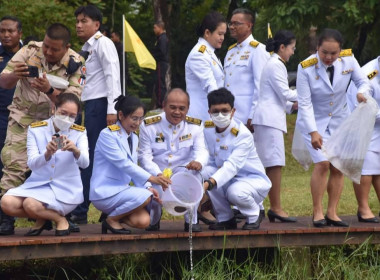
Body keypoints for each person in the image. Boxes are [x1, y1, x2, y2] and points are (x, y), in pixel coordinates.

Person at [0, 23, 83, 235]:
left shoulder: (77, 63)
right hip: (23, 118)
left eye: (54, 49)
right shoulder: (29, 50)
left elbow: (72, 102)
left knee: (54, 170)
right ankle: (6, 220)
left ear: (66, 47)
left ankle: (53, 215)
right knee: (13, 166)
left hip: (54, 122)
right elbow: (4, 82)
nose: (48, 52)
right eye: (46, 46)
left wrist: (50, 90)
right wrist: (14, 75)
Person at [296, 28, 371, 227]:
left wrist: (361, 92)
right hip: (314, 121)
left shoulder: (349, 60)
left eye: (333, 53)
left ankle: (332, 212)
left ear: (340, 50)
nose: (328, 57)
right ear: (317, 48)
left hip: (340, 120)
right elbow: (304, 103)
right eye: (324, 53)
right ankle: (318, 211)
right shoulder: (306, 67)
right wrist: (313, 131)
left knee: (338, 166)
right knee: (322, 163)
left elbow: (363, 81)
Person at [1, 93, 89, 236]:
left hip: (65, 189)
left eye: (72, 116)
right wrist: (46, 154)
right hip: (38, 185)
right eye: (63, 113)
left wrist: (75, 151)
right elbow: (32, 164)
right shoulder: (36, 129)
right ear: (54, 109)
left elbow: (85, 163)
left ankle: (60, 220)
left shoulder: (79, 132)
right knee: (6, 203)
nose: (67, 119)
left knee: (30, 204)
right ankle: (45, 216)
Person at [90, 95, 171, 234]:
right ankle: (112, 220)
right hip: (104, 192)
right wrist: (152, 179)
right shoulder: (107, 134)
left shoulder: (133, 137)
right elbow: (124, 164)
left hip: (121, 191)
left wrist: (148, 186)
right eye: (134, 118)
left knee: (144, 221)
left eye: (141, 119)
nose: (138, 123)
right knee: (146, 196)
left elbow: (133, 168)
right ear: (121, 115)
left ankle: (111, 215)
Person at [71, 4, 121, 224]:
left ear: (97, 24)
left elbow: (113, 76)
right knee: (90, 155)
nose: (79, 25)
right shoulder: (86, 47)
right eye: (77, 21)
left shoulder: (103, 43)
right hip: (89, 104)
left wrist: (112, 109)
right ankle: (100, 207)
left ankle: (82, 210)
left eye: (84, 21)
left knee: (91, 156)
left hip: (101, 106)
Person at [138, 88, 209, 232]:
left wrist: (198, 162)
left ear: (188, 108)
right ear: (164, 105)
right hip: (157, 171)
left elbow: (201, 150)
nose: (177, 112)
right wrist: (157, 175)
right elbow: (144, 156)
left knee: (196, 176)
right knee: (153, 195)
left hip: (183, 170)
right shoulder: (149, 125)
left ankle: (191, 221)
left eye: (182, 108)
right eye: (173, 107)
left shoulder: (195, 126)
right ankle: (154, 219)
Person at [202, 88, 271, 230]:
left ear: (233, 111)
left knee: (235, 192)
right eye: (215, 111)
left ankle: (254, 215)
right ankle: (225, 218)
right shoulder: (207, 129)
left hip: (251, 180)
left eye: (225, 110)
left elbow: (231, 166)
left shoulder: (242, 134)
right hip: (227, 179)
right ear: (209, 112)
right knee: (205, 171)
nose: (220, 115)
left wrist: (208, 184)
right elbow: (207, 158)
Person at [252, 30, 298, 223]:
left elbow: (278, 96)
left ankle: (267, 207)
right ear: (282, 47)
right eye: (292, 48)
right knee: (274, 164)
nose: (293, 52)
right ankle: (276, 208)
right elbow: (286, 93)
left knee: (271, 164)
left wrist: (292, 106)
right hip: (269, 120)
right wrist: (309, 93)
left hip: (269, 118)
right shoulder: (277, 64)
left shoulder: (273, 64)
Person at [224, 8, 269, 130]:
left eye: (237, 23)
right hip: (229, 116)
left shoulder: (258, 50)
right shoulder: (230, 51)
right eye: (231, 23)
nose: (232, 27)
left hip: (246, 116)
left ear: (249, 26)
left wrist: (253, 115)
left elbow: (260, 85)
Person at [346, 57, 380, 223]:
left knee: (378, 170)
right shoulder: (369, 73)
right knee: (366, 168)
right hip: (363, 124)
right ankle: (363, 208)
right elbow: (362, 104)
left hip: (378, 125)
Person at [185, 11, 226, 122]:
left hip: (210, 114)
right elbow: (210, 85)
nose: (222, 38)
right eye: (220, 34)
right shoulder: (199, 54)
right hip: (200, 116)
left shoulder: (209, 52)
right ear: (207, 33)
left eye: (224, 34)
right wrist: (224, 110)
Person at [0, 16, 23, 181]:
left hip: (25, 117)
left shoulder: (32, 54)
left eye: (10, 31)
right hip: (1, 116)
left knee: (20, 162)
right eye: (2, 31)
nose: (6, 35)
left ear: (19, 33)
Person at [152, 20, 169, 109]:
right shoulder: (160, 38)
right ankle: (161, 102)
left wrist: (153, 56)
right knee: (159, 83)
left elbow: (162, 52)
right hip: (160, 63)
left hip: (161, 63)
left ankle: (161, 103)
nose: (154, 30)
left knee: (160, 84)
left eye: (155, 28)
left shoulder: (162, 38)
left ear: (160, 28)